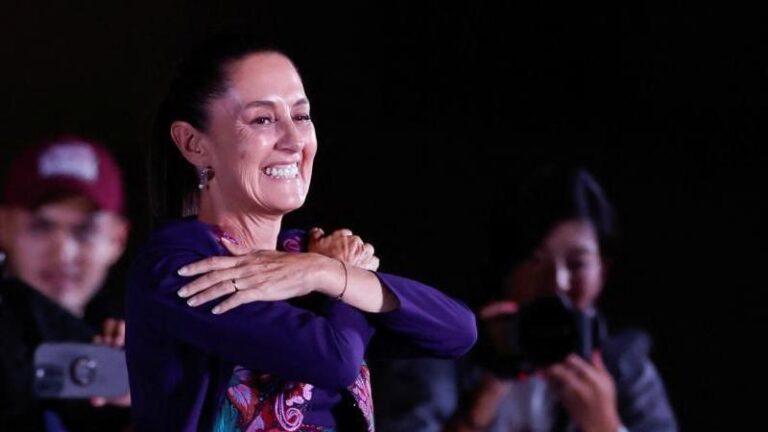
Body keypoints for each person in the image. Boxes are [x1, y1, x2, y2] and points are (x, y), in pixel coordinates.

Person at [125, 35, 477, 431]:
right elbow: (333, 359)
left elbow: (457, 333)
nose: (294, 141)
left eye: (301, 116)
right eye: (262, 119)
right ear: (193, 144)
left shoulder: (306, 255)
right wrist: (338, 274)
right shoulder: (179, 266)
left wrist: (327, 275)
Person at [372, 166, 677, 432]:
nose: (557, 283)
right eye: (535, 261)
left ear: (603, 271)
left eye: (577, 264)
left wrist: (607, 425)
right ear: (506, 269)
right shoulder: (442, 347)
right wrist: (486, 391)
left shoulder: (625, 363)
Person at [0, 137, 131, 430]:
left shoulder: (153, 342)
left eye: (85, 231)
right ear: (3, 226)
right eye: (40, 227)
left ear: (117, 239)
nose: (63, 253)